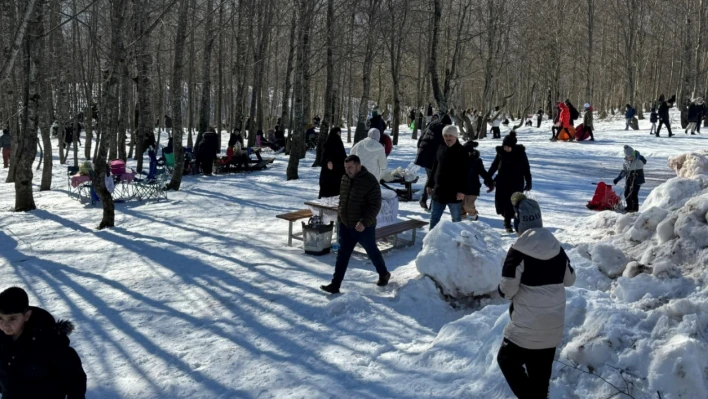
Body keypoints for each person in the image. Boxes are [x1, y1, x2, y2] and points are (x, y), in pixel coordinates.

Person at [496, 194, 576, 399]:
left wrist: (500, 289)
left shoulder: (518, 250)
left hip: (525, 328)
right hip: (553, 327)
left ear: (518, 223)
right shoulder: (556, 247)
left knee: (506, 360)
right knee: (540, 378)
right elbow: (570, 280)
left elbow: (508, 290)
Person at [320, 155, 390, 294]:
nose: (348, 170)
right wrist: (340, 216)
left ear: (359, 166)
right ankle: (335, 285)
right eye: (346, 168)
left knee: (372, 252)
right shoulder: (345, 178)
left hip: (364, 226)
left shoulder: (370, 181)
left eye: (351, 167)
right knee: (342, 255)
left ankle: (383, 273)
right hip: (346, 225)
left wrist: (364, 222)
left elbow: (375, 205)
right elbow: (343, 200)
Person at [0, 286, 87, 398]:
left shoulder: (48, 341)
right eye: (1, 318)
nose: (5, 325)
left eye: (12, 319)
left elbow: (74, 377)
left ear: (26, 316)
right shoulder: (1, 340)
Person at [426, 125, 469, 229]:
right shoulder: (440, 148)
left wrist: (461, 191)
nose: (448, 138)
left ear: (456, 136)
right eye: (445, 135)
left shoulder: (462, 151)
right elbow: (434, 167)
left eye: (450, 135)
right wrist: (430, 184)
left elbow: (465, 173)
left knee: (456, 220)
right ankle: (431, 241)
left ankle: (457, 242)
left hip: (454, 192)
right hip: (439, 189)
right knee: (434, 218)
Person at [488, 132, 532, 232]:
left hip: (516, 183)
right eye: (505, 146)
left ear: (513, 146)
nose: (506, 149)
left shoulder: (520, 153)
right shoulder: (500, 153)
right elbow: (494, 166)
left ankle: (510, 224)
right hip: (502, 182)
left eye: (508, 147)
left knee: (513, 204)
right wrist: (488, 178)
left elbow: (526, 168)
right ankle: (507, 220)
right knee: (502, 203)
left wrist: (529, 182)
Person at [415, 114, 452, 210]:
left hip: (424, 156)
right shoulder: (444, 130)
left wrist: (420, 151)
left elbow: (420, 140)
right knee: (436, 180)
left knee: (431, 178)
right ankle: (432, 203)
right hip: (434, 158)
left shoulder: (431, 126)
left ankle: (424, 199)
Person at [461, 141, 494, 221]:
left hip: (473, 187)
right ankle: (462, 222)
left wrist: (490, 183)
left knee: (468, 206)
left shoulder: (476, 161)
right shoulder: (458, 160)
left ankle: (474, 216)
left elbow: (483, 173)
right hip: (460, 187)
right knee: (460, 207)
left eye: (468, 152)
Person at [613, 145, 647, 213]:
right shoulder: (625, 162)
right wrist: (618, 178)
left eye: (632, 156)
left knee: (634, 194)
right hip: (629, 179)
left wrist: (640, 157)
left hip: (637, 179)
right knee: (626, 193)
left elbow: (644, 161)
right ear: (626, 156)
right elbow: (624, 171)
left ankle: (635, 209)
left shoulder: (638, 159)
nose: (631, 158)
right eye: (629, 157)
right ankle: (629, 206)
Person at [319, 127, 347, 198]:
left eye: (339, 133)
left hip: (339, 172)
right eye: (337, 133)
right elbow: (324, 157)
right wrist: (328, 161)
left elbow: (343, 156)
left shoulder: (339, 143)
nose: (339, 135)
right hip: (329, 173)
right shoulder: (328, 144)